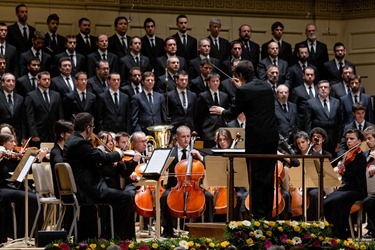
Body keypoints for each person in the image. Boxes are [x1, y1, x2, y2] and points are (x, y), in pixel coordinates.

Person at [210, 60, 279, 219]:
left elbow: (231, 113)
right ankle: (268, 216)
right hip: (271, 137)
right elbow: (254, 101)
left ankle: (258, 216)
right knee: (267, 177)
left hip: (256, 139)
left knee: (255, 178)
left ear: (240, 75)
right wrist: (242, 88)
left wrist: (221, 111)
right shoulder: (267, 87)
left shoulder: (244, 91)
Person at [63, 112, 135, 240]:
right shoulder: (80, 143)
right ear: (88, 128)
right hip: (89, 190)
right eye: (93, 126)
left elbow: (93, 156)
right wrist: (118, 153)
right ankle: (120, 238)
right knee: (126, 197)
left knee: (121, 195)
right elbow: (102, 157)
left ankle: (110, 234)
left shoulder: (72, 140)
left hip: (83, 187)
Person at [160, 125, 213, 237]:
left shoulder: (197, 152)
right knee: (164, 197)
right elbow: (161, 168)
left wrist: (200, 157)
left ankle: (206, 227)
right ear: (177, 138)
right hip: (175, 186)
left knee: (208, 197)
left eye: (188, 136)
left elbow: (210, 165)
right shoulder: (170, 152)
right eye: (183, 136)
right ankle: (168, 230)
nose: (186, 139)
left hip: (195, 186)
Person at [0, 133, 47, 243]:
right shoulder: (2, 154)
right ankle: (27, 234)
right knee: (31, 198)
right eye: (11, 141)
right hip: (2, 189)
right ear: (3, 143)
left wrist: (37, 158)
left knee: (33, 195)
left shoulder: (9, 156)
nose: (15, 144)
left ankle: (28, 235)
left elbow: (24, 171)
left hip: (9, 187)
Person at [325, 129, 366, 239]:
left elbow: (351, 175)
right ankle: (332, 231)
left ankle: (340, 233)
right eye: (347, 139)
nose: (348, 141)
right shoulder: (347, 155)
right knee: (327, 201)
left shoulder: (361, 157)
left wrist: (342, 171)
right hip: (347, 188)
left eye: (352, 139)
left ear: (359, 141)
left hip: (357, 190)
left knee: (336, 200)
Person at [25, 71, 64, 147]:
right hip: (39, 133)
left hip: (54, 133)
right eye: (44, 79)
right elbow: (30, 117)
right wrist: (34, 134)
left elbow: (60, 115)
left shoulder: (56, 95)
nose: (47, 81)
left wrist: (60, 131)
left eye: (48, 79)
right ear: (38, 80)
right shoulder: (31, 96)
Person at [305, 80, 342, 156]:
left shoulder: (337, 102)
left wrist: (339, 141)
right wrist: (309, 139)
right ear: (317, 89)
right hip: (317, 139)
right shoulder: (310, 103)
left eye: (325, 87)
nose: (323, 89)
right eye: (321, 87)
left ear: (329, 89)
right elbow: (307, 123)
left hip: (333, 139)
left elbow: (340, 123)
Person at [196, 73, 229, 148]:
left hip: (221, 129)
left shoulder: (224, 96)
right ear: (208, 83)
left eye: (217, 81)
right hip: (208, 130)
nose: (215, 83)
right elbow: (199, 115)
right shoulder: (203, 96)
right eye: (213, 81)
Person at [49, 119, 74, 197]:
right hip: (64, 192)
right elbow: (60, 164)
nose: (73, 136)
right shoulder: (55, 151)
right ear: (62, 135)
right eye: (70, 133)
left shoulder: (68, 150)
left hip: (70, 189)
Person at [0, 73, 26, 143]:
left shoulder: (20, 98)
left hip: (17, 134)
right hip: (2, 134)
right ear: (2, 83)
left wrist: (24, 136)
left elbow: (23, 119)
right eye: (8, 81)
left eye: (13, 81)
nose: (11, 83)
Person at [362, 126, 375, 239]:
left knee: (369, 201)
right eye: (366, 139)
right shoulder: (365, 154)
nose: (367, 141)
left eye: (369, 138)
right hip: (368, 190)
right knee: (368, 201)